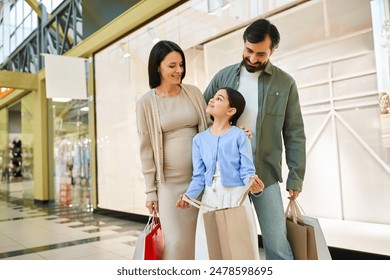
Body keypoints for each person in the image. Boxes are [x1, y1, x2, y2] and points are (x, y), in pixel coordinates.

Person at [203, 18, 306, 260]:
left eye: (260, 54)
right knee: (230, 242)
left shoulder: (285, 83)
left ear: (272, 51)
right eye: (249, 50)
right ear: (244, 44)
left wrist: (296, 176)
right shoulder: (223, 77)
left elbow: (294, 132)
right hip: (227, 175)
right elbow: (204, 115)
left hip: (265, 175)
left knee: (277, 245)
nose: (252, 58)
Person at [135, 40, 209, 259]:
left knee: (197, 242)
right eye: (172, 66)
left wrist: (234, 133)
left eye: (181, 65)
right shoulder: (146, 103)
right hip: (168, 185)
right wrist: (150, 191)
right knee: (175, 243)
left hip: (199, 181)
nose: (179, 70)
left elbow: (210, 128)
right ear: (158, 66)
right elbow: (146, 148)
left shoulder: (193, 93)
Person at [176, 87, 265, 260]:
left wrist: (254, 184)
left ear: (231, 110)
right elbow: (199, 176)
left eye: (219, 98)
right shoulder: (199, 140)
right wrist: (188, 196)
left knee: (240, 249)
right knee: (209, 248)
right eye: (214, 97)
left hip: (236, 197)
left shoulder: (240, 136)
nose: (212, 100)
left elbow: (247, 170)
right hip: (210, 199)